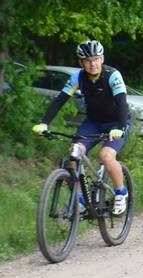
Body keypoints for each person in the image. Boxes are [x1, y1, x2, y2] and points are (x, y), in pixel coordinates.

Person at [32, 40, 130, 215]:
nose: (92, 64)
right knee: (74, 153)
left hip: (117, 122)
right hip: (93, 122)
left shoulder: (112, 75)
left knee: (106, 156)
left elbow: (122, 103)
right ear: (81, 63)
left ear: (102, 59)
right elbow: (59, 100)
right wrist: (44, 123)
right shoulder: (78, 77)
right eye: (87, 61)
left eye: (96, 59)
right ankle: (81, 200)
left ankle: (121, 193)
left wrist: (121, 127)